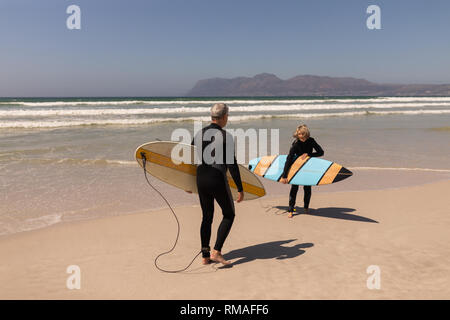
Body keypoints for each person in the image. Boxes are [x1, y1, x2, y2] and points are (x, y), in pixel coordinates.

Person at [191, 103, 244, 265]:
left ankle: (205, 256)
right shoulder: (225, 136)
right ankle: (217, 251)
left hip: (201, 178)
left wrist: (187, 183)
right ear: (224, 117)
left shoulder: (199, 133)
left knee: (207, 217)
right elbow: (232, 165)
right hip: (217, 178)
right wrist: (240, 189)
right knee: (229, 214)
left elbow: (190, 158)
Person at [280, 124, 324, 218]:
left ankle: (306, 207)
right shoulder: (295, 144)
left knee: (307, 188)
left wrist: (308, 154)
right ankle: (291, 209)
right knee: (294, 188)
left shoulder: (311, 141)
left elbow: (321, 152)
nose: (301, 136)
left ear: (306, 134)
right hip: (296, 167)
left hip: (308, 166)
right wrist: (284, 176)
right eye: (299, 134)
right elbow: (289, 159)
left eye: (303, 134)